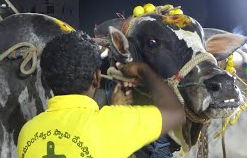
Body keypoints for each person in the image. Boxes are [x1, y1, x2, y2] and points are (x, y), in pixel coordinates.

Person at [17, 31, 186, 158]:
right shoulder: (113, 124)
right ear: (97, 78)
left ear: (46, 81)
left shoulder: (27, 133)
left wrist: (114, 111)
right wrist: (143, 70)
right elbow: (175, 113)